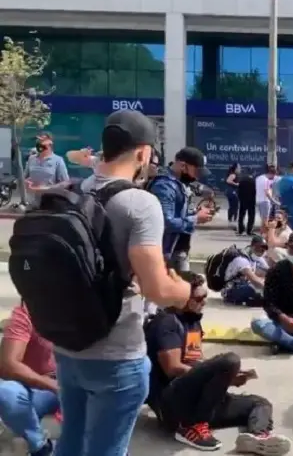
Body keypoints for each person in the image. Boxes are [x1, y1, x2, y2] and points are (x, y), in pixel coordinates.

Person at [52, 110, 197, 456]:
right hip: (116, 355)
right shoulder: (140, 203)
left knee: (70, 443)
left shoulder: (74, 190)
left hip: (68, 349)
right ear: (143, 152)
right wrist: (185, 290)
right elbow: (157, 289)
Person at [146, 270, 292, 455]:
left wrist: (225, 378)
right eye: (198, 299)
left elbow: (195, 362)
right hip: (173, 404)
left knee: (259, 403)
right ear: (181, 298)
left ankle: (258, 437)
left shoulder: (193, 322)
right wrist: (220, 372)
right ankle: (189, 426)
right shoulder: (167, 322)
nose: (204, 302)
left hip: (198, 402)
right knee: (230, 360)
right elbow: (173, 368)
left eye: (205, 297)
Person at [0, 304, 60, 456]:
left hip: (84, 384)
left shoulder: (91, 306)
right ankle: (40, 446)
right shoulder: (26, 311)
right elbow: (8, 364)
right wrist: (52, 385)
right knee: (6, 392)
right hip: (40, 387)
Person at [149, 147, 213, 270]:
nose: (197, 177)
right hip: (167, 253)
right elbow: (165, 222)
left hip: (178, 249)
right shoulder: (165, 186)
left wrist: (196, 212)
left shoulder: (178, 183)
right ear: (183, 166)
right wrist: (196, 219)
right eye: (196, 172)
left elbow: (178, 212)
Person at [221, 234, 269, 307]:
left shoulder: (258, 256)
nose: (261, 251)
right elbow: (254, 280)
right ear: (252, 246)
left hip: (244, 285)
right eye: (258, 247)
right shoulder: (242, 259)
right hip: (230, 290)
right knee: (254, 288)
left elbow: (270, 272)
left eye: (264, 248)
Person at [24, 132, 69, 205]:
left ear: (50, 143)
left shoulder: (58, 160)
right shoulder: (31, 159)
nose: (39, 143)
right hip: (31, 202)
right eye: (38, 141)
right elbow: (25, 177)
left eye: (42, 141)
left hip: (50, 202)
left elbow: (65, 183)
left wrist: (47, 188)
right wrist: (26, 182)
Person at [237, 167, 257, 236]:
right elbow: (255, 192)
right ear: (253, 173)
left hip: (243, 200)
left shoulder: (242, 181)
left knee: (241, 215)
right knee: (251, 216)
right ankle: (249, 230)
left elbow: (238, 191)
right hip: (251, 201)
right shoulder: (254, 181)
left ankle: (240, 229)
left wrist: (240, 198)